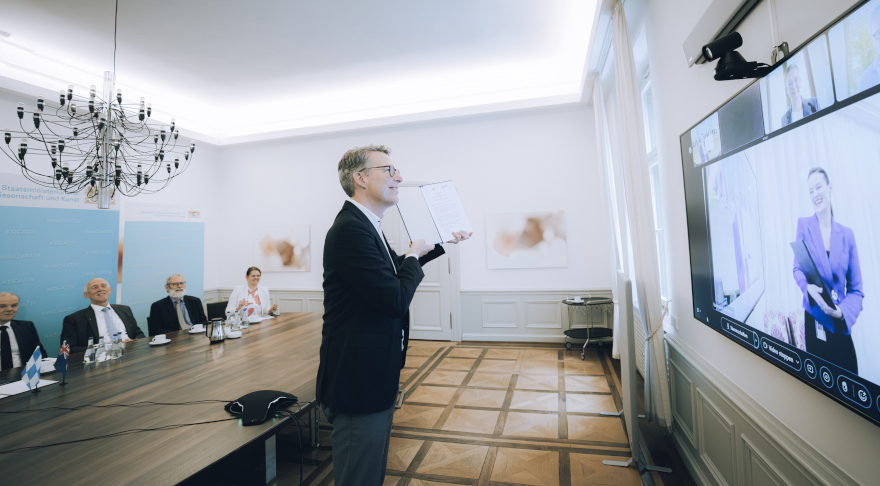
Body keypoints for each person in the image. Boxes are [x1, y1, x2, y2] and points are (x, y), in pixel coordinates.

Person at [315, 145, 472, 486]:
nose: (398, 176)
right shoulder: (351, 230)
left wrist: (435, 245)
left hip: (374, 375)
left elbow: (387, 274)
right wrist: (413, 256)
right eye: (388, 170)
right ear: (359, 178)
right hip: (359, 382)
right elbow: (394, 299)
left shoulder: (364, 224)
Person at [792, 167, 863, 373]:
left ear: (829, 188)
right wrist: (807, 289)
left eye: (818, 187)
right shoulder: (803, 226)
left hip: (840, 324)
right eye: (810, 191)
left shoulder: (847, 235)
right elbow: (797, 268)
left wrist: (841, 313)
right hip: (814, 321)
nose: (815, 194)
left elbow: (857, 291)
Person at [60, 278, 145, 353]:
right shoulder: (74, 319)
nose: (100, 289)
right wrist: (103, 348)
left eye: (103, 286)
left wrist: (134, 342)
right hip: (100, 360)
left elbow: (138, 333)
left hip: (130, 353)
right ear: (86, 295)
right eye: (95, 287)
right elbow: (69, 349)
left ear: (109, 290)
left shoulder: (125, 309)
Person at [0, 292, 46, 370]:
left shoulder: (27, 326)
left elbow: (39, 354)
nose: (9, 309)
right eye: (2, 306)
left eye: (14, 305)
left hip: (23, 376)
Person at [780, 62, 820, 128]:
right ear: (787, 89)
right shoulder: (784, 120)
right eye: (790, 83)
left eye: (796, 80)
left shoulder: (814, 104)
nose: (794, 86)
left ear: (800, 81)